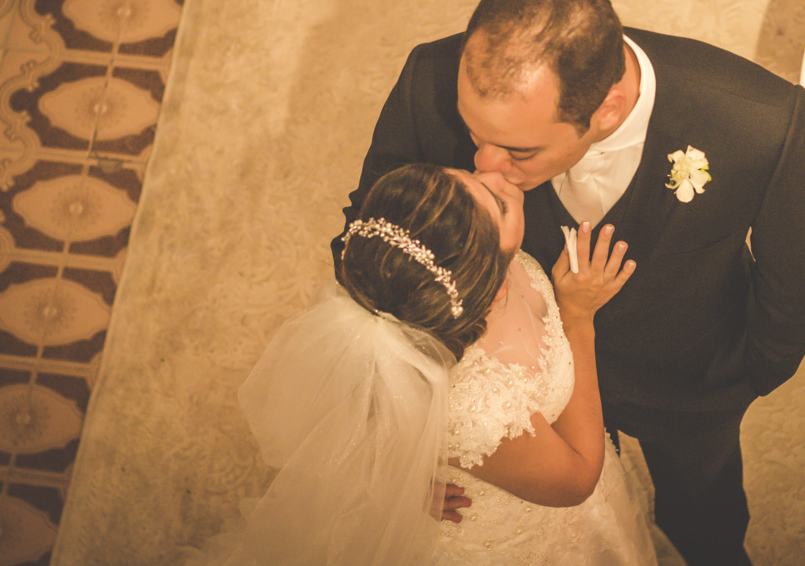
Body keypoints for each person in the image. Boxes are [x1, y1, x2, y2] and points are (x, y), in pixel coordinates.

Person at [336, 0, 805, 565]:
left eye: (520, 150)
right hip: (514, 389)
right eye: (472, 133)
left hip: (684, 387)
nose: (484, 166)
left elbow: (797, 282)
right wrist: (404, 438)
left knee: (706, 523)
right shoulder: (430, 76)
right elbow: (370, 235)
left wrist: (742, 379)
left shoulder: (764, 125)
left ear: (608, 109)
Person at [202, 163, 658, 565]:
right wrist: (578, 318)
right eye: (498, 204)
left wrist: (403, 469)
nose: (493, 171)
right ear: (494, 291)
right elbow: (576, 480)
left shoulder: (405, 277)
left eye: (460, 177)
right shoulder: (481, 409)